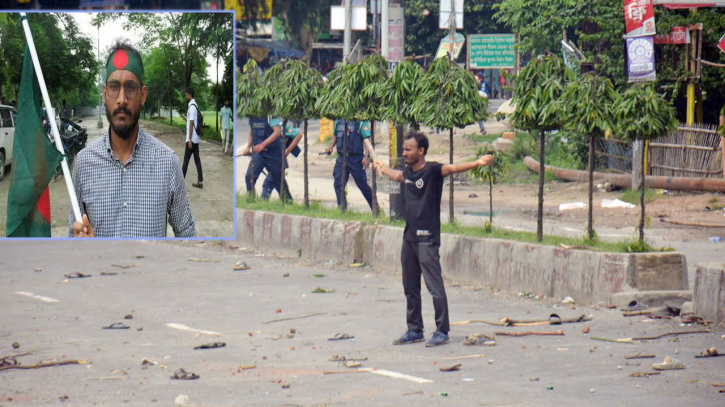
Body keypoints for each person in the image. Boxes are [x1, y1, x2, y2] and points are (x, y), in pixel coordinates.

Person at [373, 131, 492, 347]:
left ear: (421, 151)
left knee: (434, 286)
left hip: (427, 238)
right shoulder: (408, 172)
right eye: (404, 149)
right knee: (410, 286)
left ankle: (442, 330)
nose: (404, 153)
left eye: (408, 149)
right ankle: (414, 330)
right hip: (409, 238)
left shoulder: (433, 170)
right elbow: (397, 176)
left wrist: (477, 162)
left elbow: (452, 168)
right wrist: (381, 168)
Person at [69, 39, 195, 238]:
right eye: (113, 87)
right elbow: (72, 236)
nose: (121, 99)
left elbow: (188, 236)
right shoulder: (84, 165)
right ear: (104, 93)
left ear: (143, 95)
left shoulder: (167, 163)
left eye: (130, 87)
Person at [324, 120, 373, 210]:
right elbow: (335, 134)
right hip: (341, 158)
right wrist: (330, 147)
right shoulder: (338, 120)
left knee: (362, 185)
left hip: (356, 159)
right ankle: (343, 210)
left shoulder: (360, 121)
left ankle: (376, 209)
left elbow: (366, 139)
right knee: (338, 184)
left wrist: (367, 156)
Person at [243, 116, 291, 201]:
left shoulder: (269, 115)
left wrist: (263, 144)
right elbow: (252, 133)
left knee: (278, 180)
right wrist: (248, 147)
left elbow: (277, 132)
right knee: (249, 176)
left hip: (273, 153)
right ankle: (251, 201)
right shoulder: (252, 116)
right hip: (259, 154)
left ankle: (288, 202)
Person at [261, 124, 302, 200]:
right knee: (281, 185)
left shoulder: (281, 126)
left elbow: (299, 134)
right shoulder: (263, 129)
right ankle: (289, 203)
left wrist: (287, 150)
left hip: (280, 163)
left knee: (268, 183)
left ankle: (262, 202)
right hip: (271, 162)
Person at [182, 87, 203, 189]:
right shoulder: (195, 106)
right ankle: (200, 181)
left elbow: (191, 124)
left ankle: (180, 184)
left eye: (186, 95)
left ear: (190, 94)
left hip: (191, 140)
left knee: (186, 160)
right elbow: (192, 122)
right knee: (197, 160)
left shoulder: (191, 108)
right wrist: (186, 118)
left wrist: (189, 140)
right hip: (196, 139)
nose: (185, 96)